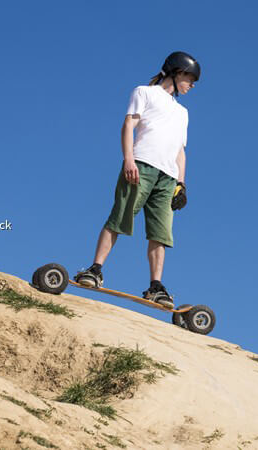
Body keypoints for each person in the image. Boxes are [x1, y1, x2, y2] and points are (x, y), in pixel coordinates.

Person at [73, 51, 200, 309]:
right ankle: (95, 269)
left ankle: (156, 286)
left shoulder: (182, 112)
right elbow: (128, 126)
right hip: (141, 165)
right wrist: (128, 160)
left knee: (161, 233)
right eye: (190, 77)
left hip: (168, 177)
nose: (192, 84)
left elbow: (180, 150)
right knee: (120, 217)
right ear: (176, 72)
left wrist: (182, 183)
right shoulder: (145, 92)